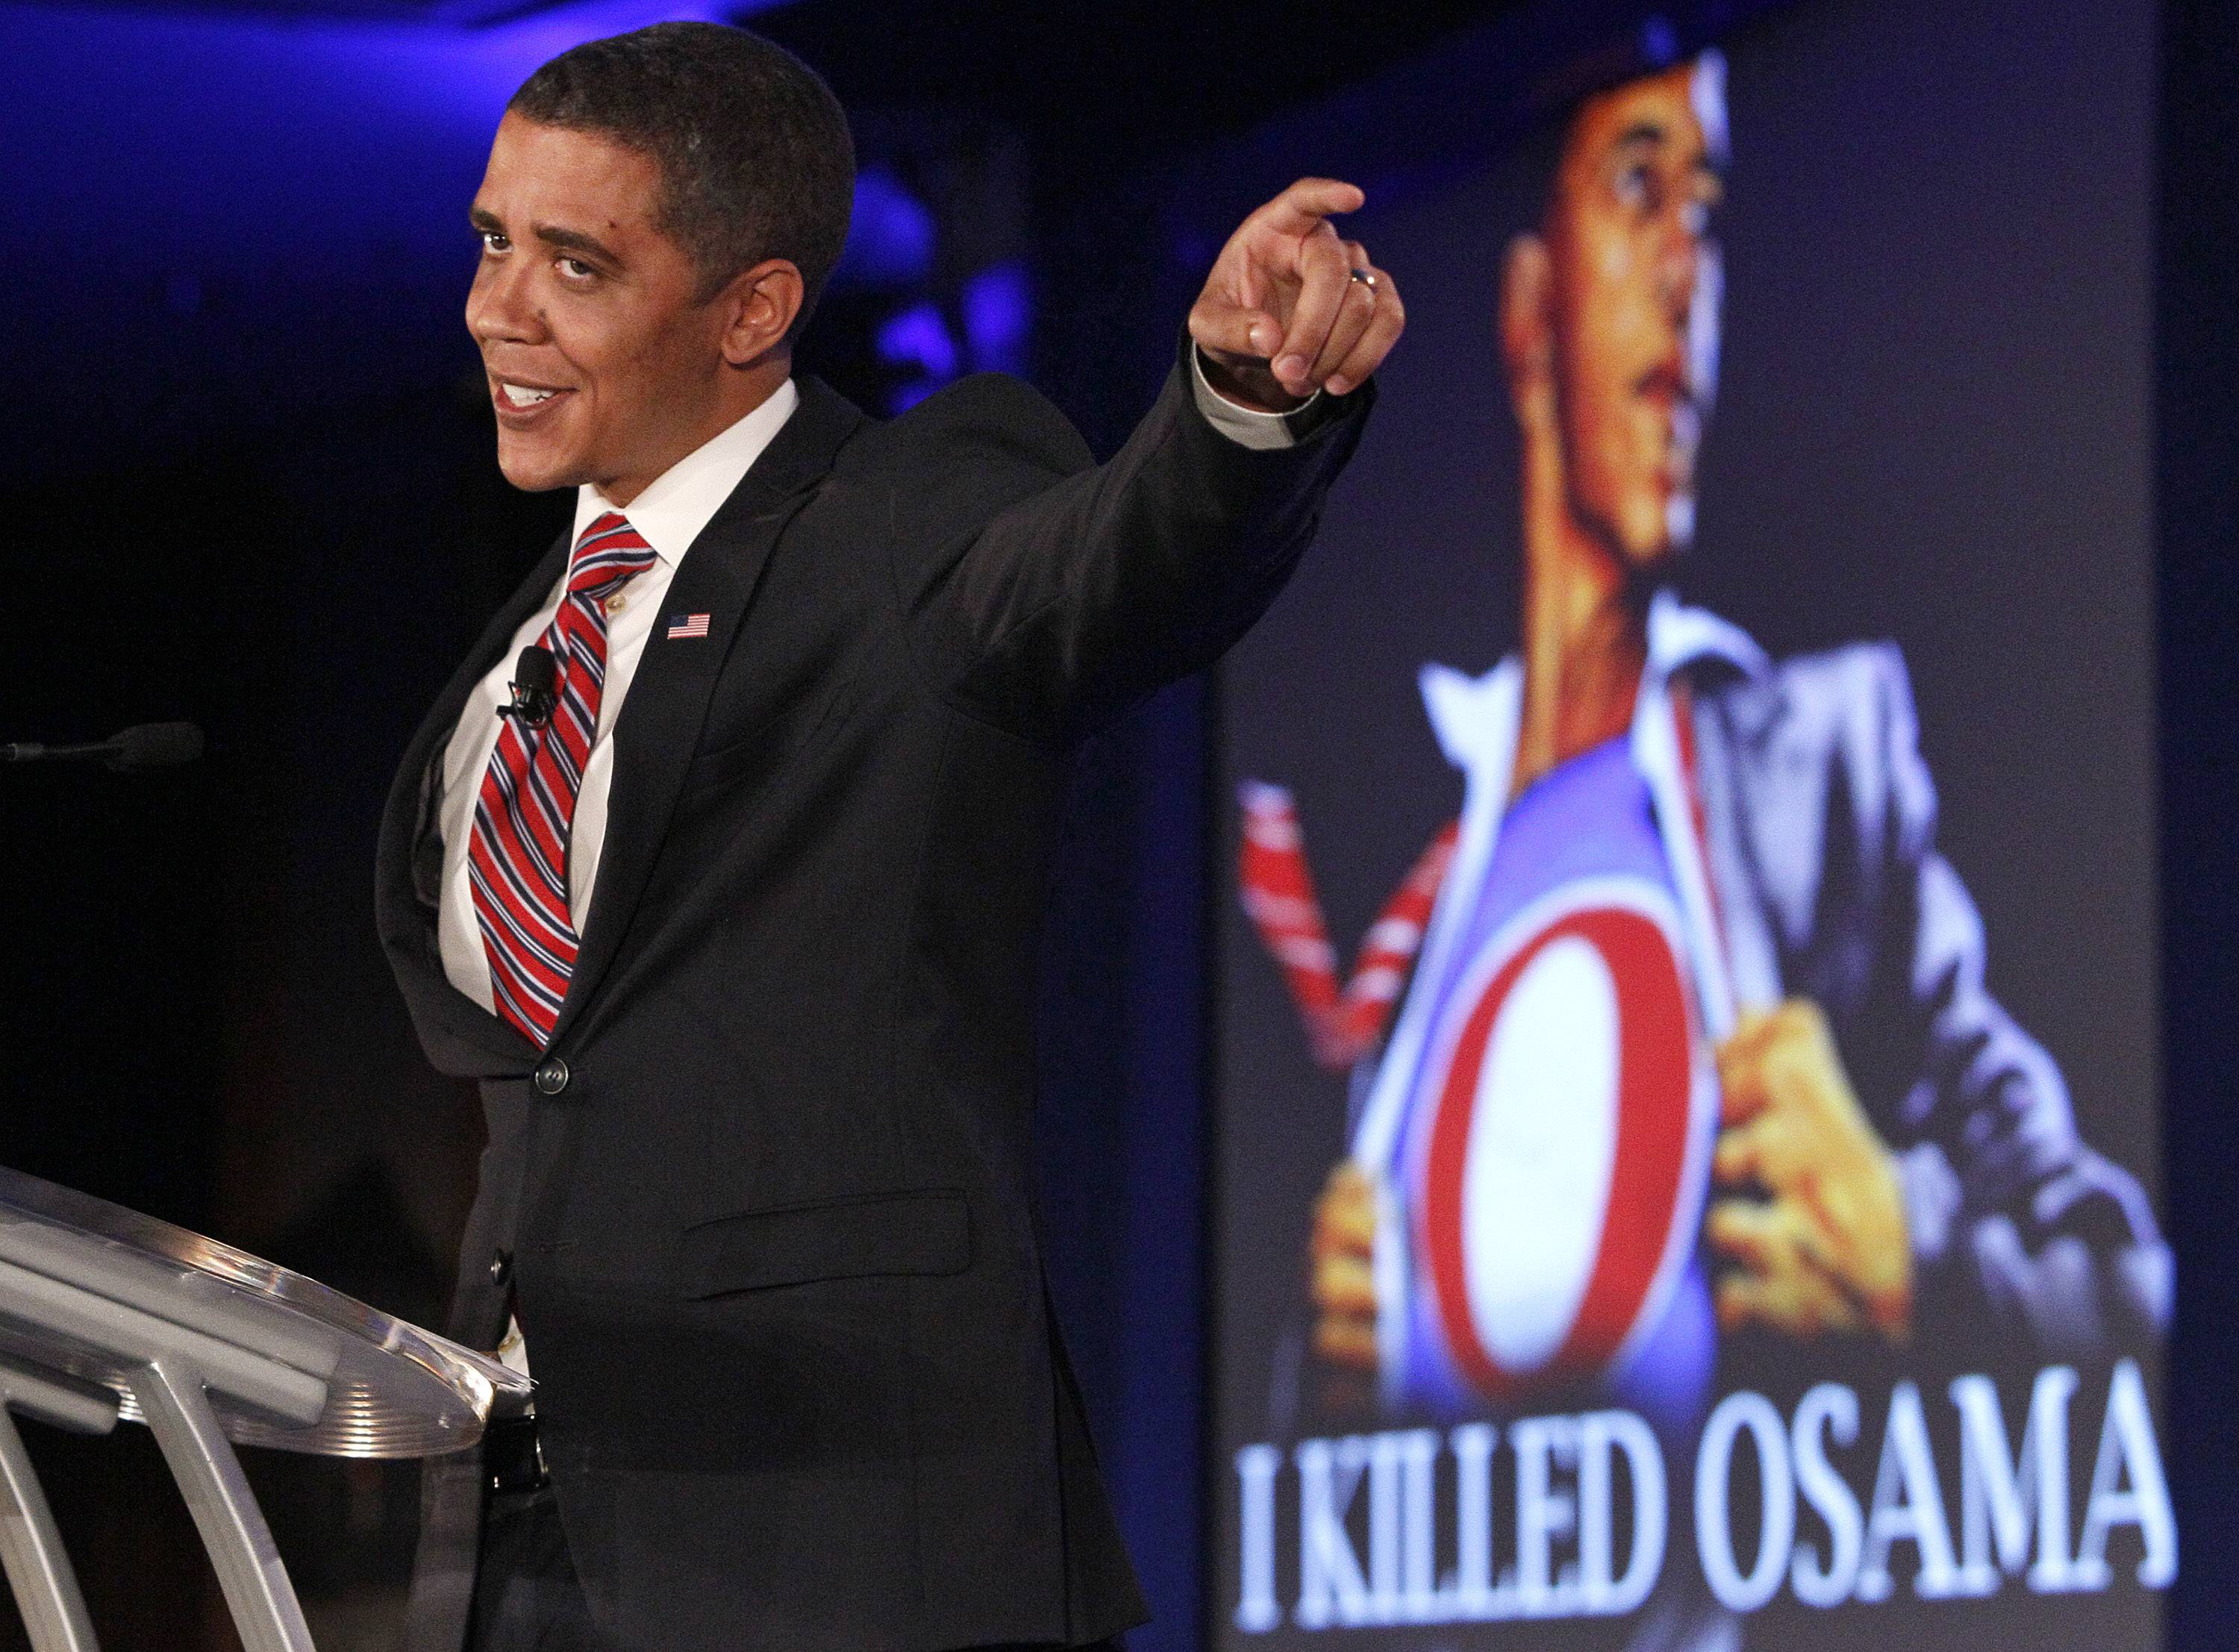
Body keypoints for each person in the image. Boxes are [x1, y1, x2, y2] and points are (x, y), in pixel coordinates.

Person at [374, 22, 1401, 1652]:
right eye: (495, 242)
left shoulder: (907, 517)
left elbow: (1107, 567)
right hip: (536, 1535)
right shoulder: (519, 658)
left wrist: (1234, 412)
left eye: (577, 263)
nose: (500, 307)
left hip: (841, 1531)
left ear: (753, 309)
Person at [1255, 52, 2167, 1431]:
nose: (1688, 274)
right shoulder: (1397, 838)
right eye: (1638, 189)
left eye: (1708, 213)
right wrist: (1313, 1389)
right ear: (1530, 310)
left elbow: (2128, 1284)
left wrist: (1911, 1258)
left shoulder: (1816, 774)